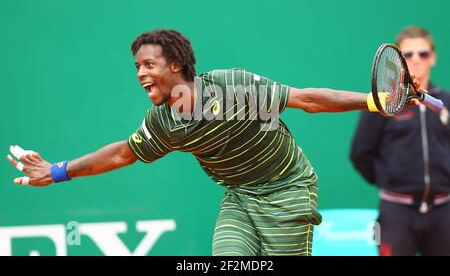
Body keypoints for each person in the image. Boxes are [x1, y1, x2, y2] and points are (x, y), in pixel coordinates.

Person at [6, 29, 423, 256]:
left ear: (175, 64)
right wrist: (58, 171)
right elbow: (122, 152)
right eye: (136, 67)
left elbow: (307, 99)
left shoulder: (233, 85)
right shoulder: (164, 122)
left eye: (148, 64)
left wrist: (375, 100)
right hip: (240, 197)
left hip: (289, 190)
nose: (140, 74)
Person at [350, 26, 450, 256]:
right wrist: (390, 180)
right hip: (395, 213)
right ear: (398, 63)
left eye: (423, 54)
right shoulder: (383, 103)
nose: (416, 60)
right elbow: (360, 153)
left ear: (432, 58)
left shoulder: (446, 101)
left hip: (445, 211)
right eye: (408, 55)